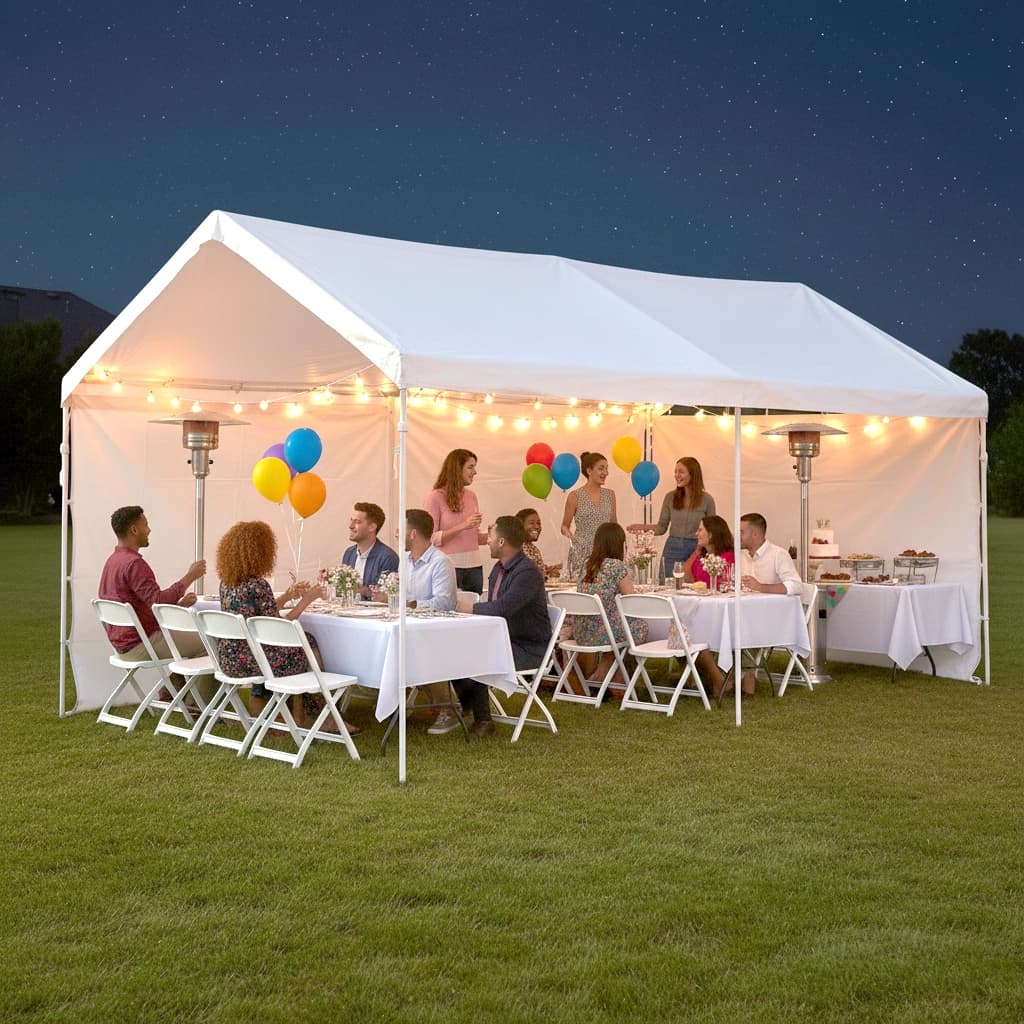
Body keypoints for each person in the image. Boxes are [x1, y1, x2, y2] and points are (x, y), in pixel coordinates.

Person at [215, 520, 359, 735]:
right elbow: (277, 629)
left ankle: (288, 710)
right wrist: (306, 600)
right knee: (306, 643)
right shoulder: (257, 585)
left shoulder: (227, 583)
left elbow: (259, 616)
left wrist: (288, 595)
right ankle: (319, 715)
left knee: (302, 643)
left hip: (229, 658)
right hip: (254, 660)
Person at [449, 516, 552, 737]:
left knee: (476, 655)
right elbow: (495, 607)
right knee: (454, 649)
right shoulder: (499, 568)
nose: (488, 541)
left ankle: (483, 720)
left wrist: (470, 609)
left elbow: (503, 608)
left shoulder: (527, 573)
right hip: (503, 639)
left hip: (528, 647)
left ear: (503, 542)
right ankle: (468, 706)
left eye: (491, 536)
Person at [98, 505, 207, 665]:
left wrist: (179, 605)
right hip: (141, 643)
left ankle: (173, 689)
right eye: (146, 525)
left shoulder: (112, 561)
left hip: (122, 644)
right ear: (134, 530)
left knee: (200, 642)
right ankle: (185, 690)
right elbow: (158, 601)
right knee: (211, 643)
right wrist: (191, 576)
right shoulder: (134, 564)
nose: (149, 530)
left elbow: (144, 604)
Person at [402, 508, 460, 734]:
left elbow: (445, 603)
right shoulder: (405, 561)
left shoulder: (440, 562)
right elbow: (401, 596)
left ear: (413, 533)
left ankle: (448, 709)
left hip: (439, 632)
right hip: (413, 627)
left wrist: (412, 605)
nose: (398, 533)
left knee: (420, 650)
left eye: (402, 529)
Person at [733, 512, 803, 697]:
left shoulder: (778, 554)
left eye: (741, 532)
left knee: (739, 627)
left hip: (771, 620)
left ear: (755, 534)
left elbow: (796, 585)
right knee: (721, 624)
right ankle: (717, 678)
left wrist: (761, 586)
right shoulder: (740, 555)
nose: (737, 535)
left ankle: (744, 681)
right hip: (744, 613)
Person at [572, 522, 647, 690]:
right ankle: (607, 670)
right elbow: (630, 600)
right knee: (639, 626)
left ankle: (616, 676)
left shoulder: (586, 564)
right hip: (603, 633)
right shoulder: (616, 566)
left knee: (617, 625)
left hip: (581, 632)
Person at [630, 457, 715, 580]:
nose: (677, 475)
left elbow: (712, 530)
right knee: (667, 584)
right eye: (675, 472)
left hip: (696, 548)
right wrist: (642, 527)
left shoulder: (707, 500)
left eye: (681, 472)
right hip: (672, 548)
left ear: (693, 473)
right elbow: (661, 528)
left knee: (694, 586)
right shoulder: (670, 497)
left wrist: (700, 550)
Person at [423, 448, 488, 594]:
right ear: (456, 469)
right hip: (448, 566)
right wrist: (464, 525)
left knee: (473, 611)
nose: (475, 472)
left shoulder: (471, 496)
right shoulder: (434, 498)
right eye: (470, 467)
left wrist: (490, 535)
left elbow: (474, 537)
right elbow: (431, 538)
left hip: (474, 567)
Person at [561, 451, 617, 581]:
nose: (605, 473)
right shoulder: (575, 496)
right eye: (601, 468)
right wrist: (569, 534)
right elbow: (564, 525)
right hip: (582, 552)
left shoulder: (610, 495)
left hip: (605, 551)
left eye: (607, 469)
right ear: (589, 471)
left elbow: (614, 524)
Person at [341, 502, 399, 598]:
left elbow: (386, 597)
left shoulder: (387, 557)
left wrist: (365, 591)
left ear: (372, 527)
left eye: (357, 522)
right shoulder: (349, 553)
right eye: (351, 520)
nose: (350, 526)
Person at [683, 514, 736, 585]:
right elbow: (685, 576)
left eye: (700, 530)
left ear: (711, 534)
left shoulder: (727, 558)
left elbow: (724, 583)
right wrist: (696, 552)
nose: (696, 533)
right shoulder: (701, 558)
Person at [516, 507, 560, 578]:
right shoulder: (515, 548)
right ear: (520, 526)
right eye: (531, 523)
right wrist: (547, 575)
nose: (537, 526)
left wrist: (548, 570)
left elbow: (535, 569)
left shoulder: (533, 548)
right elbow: (525, 575)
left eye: (538, 523)